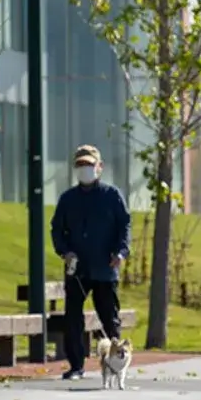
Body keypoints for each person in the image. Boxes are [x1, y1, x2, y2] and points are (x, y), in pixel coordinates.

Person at [49, 145, 131, 381]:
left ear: (99, 167)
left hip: (105, 267)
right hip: (77, 269)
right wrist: (64, 252)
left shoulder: (111, 196)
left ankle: (116, 362)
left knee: (109, 318)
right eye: (81, 165)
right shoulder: (68, 199)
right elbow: (57, 229)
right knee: (73, 318)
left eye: (89, 165)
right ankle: (76, 365)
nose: (85, 169)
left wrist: (121, 252)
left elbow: (124, 226)